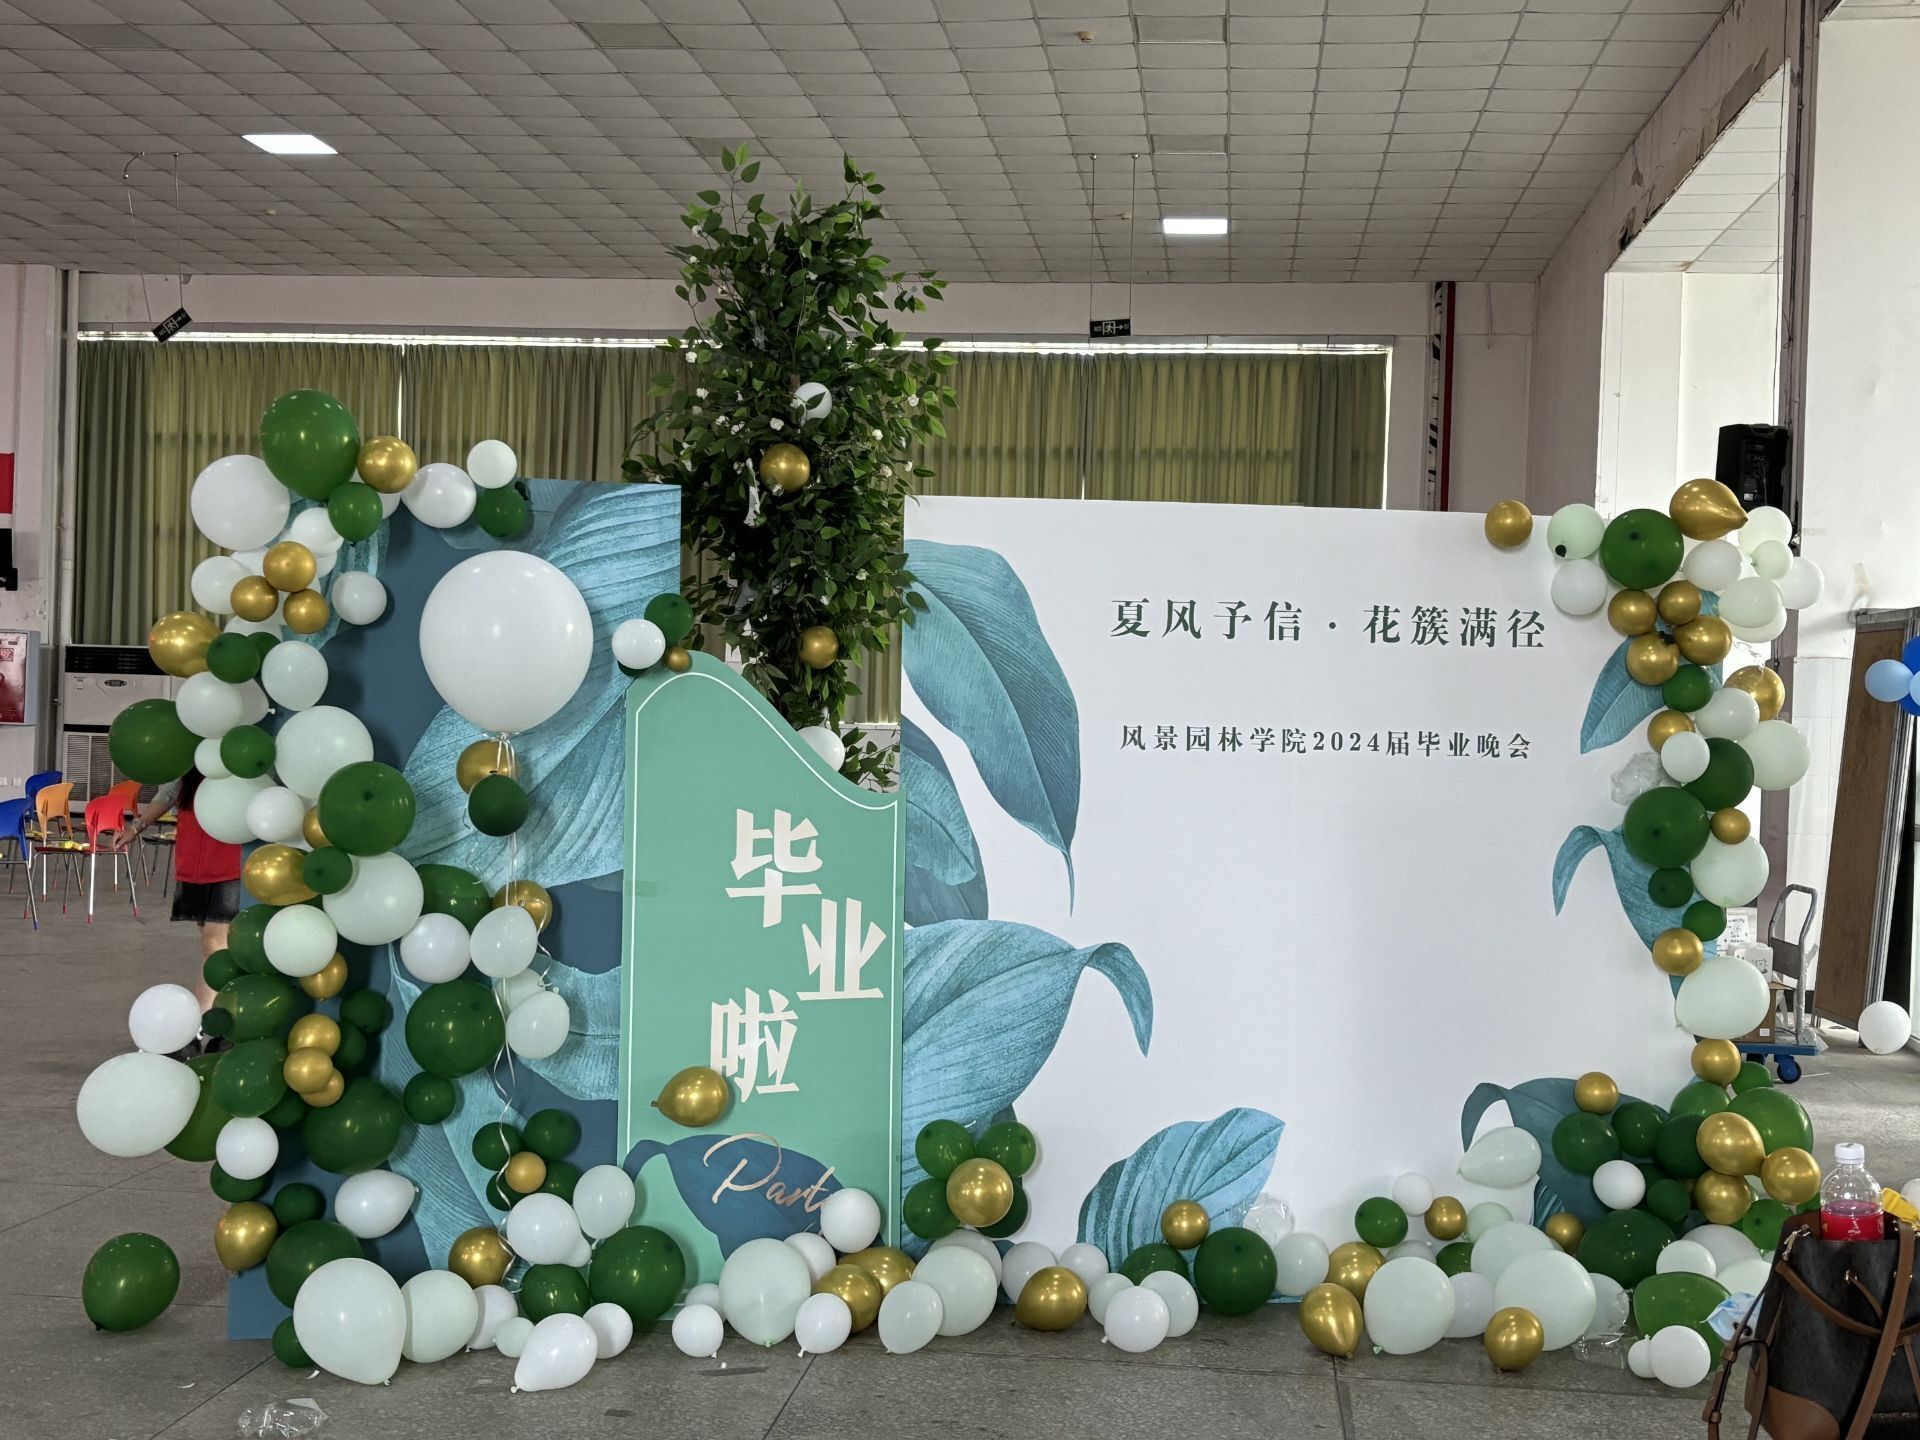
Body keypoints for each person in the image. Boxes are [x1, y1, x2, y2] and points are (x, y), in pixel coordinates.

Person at [114, 769, 242, 1032]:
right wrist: (136, 827)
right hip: (194, 860)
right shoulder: (189, 758)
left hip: (230, 860)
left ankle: (199, 1025)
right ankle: (220, 1019)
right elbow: (168, 794)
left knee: (215, 946)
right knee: (211, 945)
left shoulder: (236, 760)